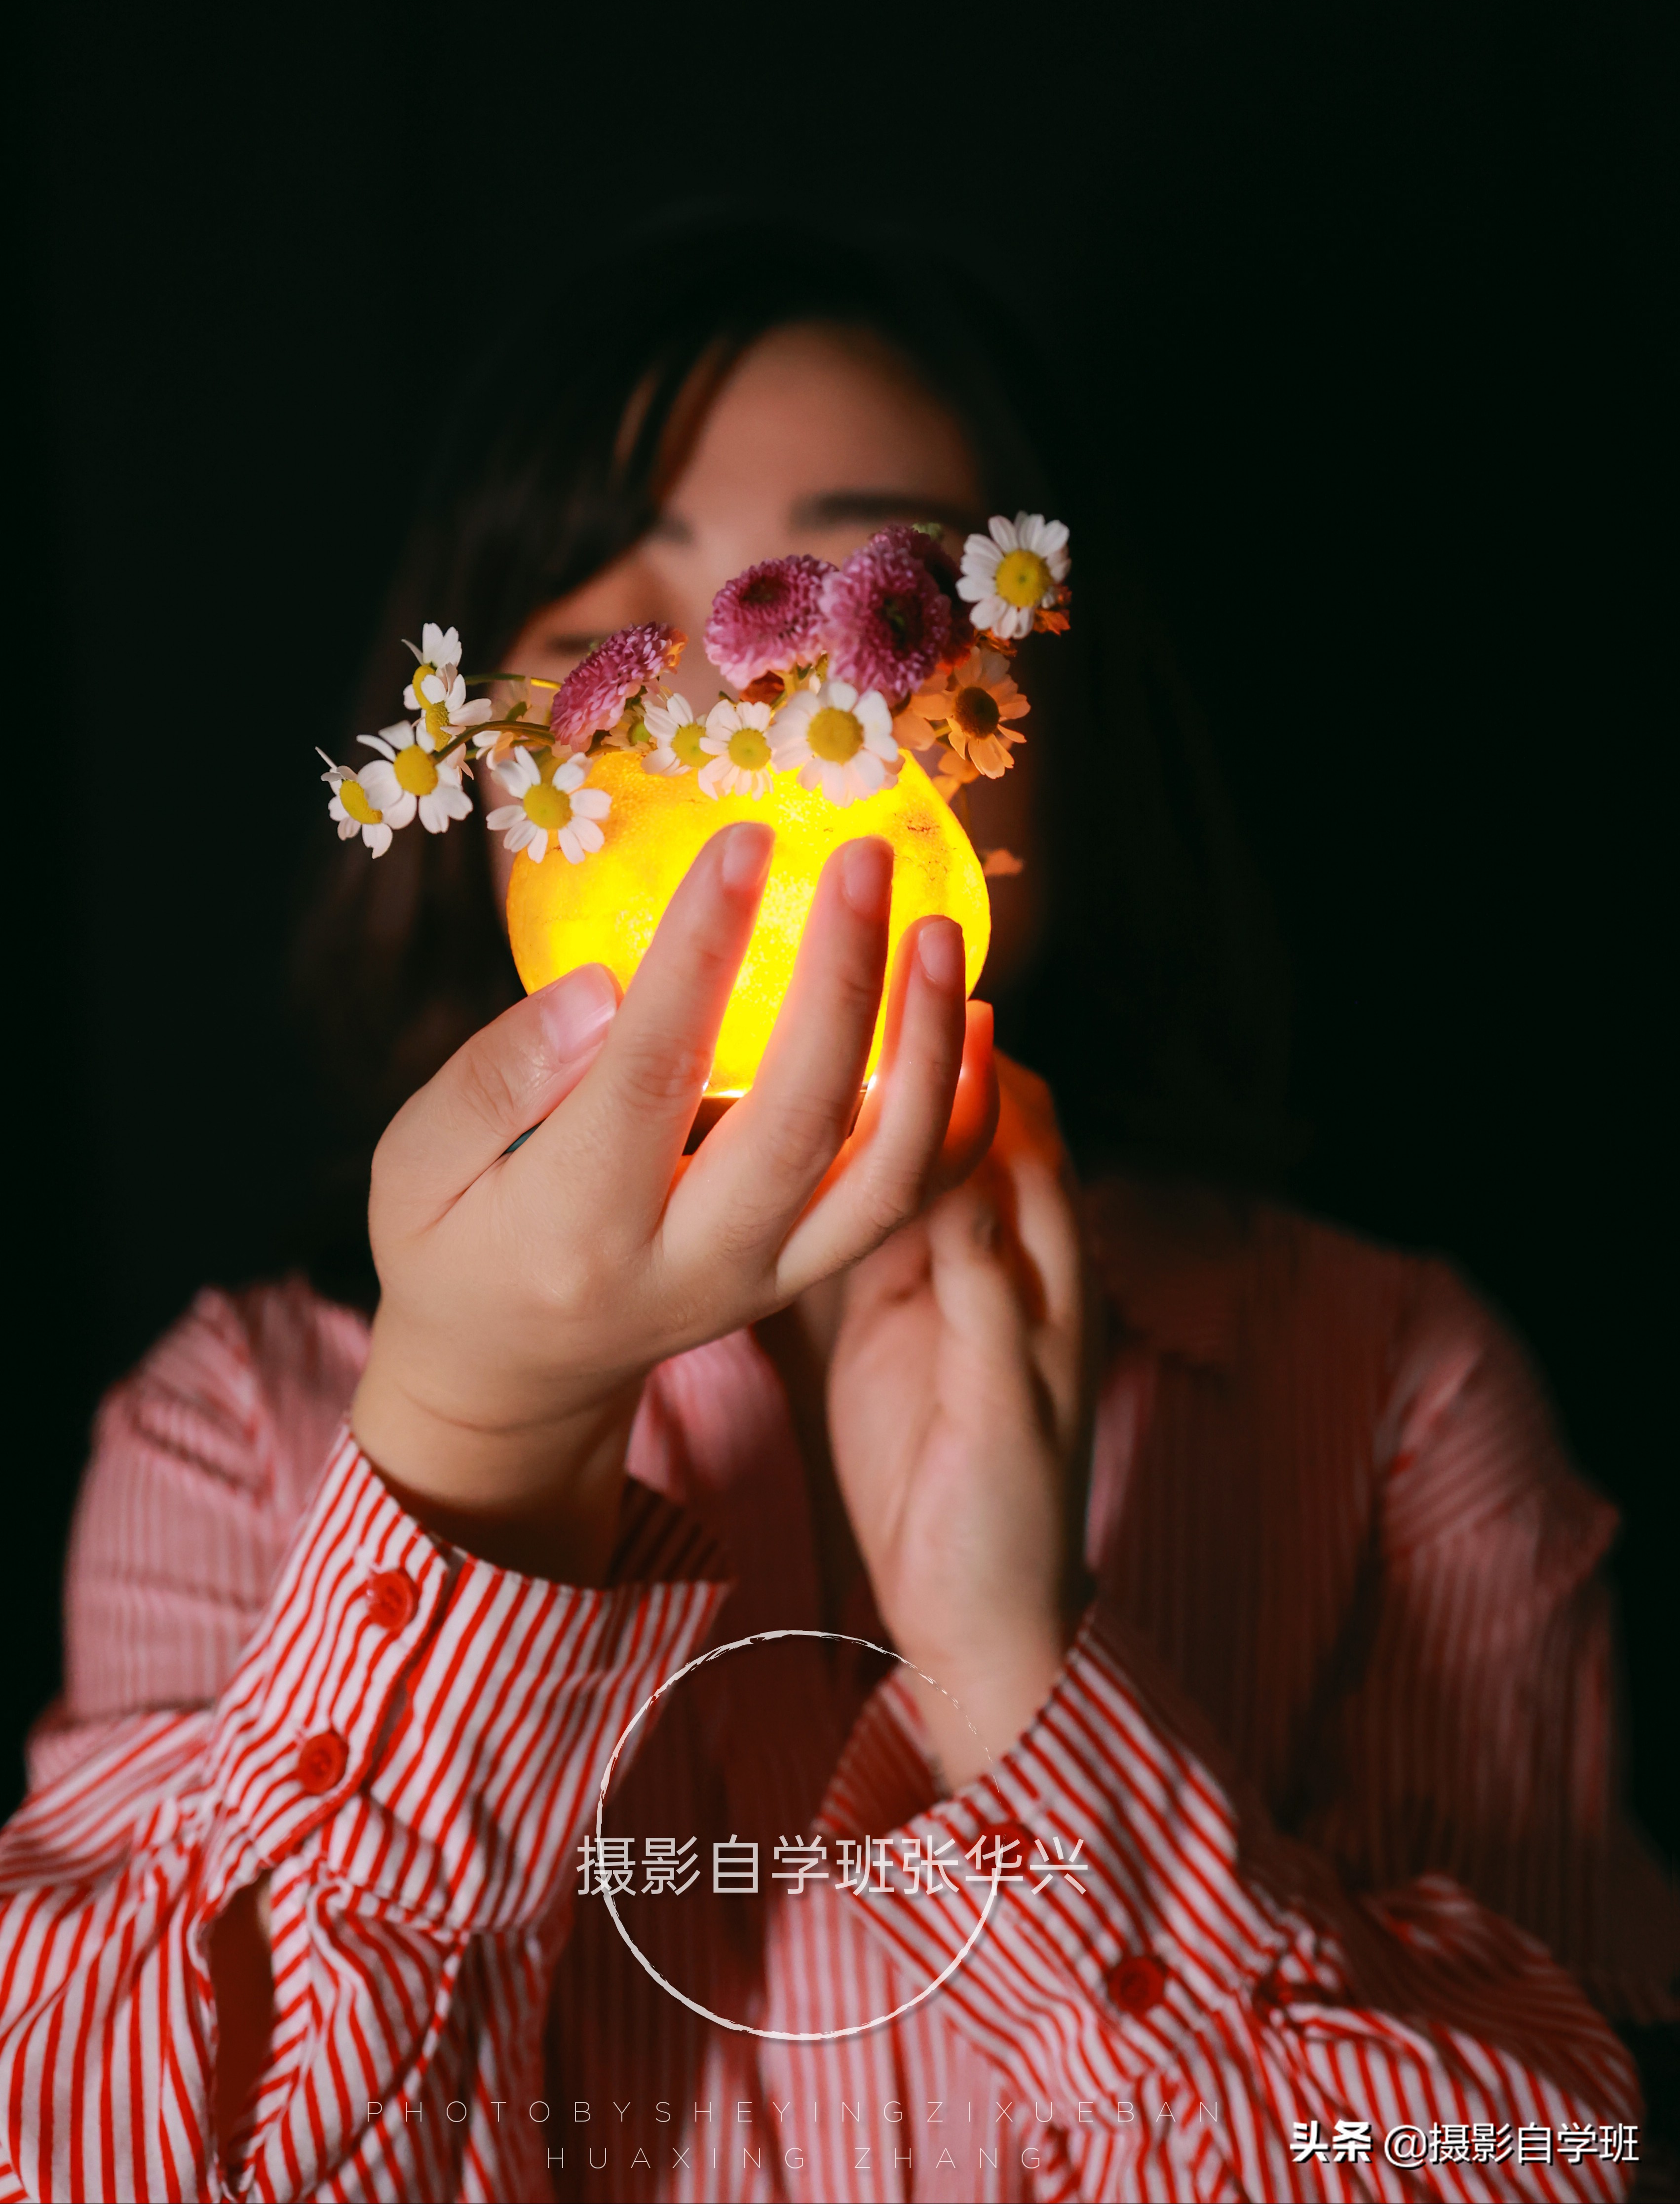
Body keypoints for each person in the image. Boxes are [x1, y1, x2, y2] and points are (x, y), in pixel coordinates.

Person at [2, 218, 1672, 2204]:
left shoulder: (1382, 1396)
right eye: (610, 636)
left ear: (1046, 745)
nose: (732, 716)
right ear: (486, 792)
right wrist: (478, 1438)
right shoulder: (234, 1432)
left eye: (860, 611)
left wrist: (1013, 1673)